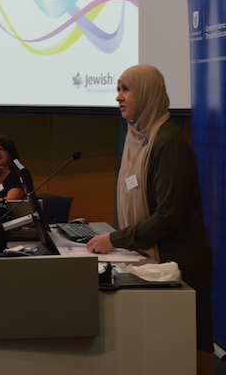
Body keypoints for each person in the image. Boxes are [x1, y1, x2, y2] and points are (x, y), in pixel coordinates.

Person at [86, 64, 214, 375]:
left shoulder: (167, 141)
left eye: (126, 89)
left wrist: (115, 239)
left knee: (191, 339)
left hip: (180, 257)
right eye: (118, 88)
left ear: (147, 94)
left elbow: (169, 215)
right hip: (156, 251)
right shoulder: (139, 138)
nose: (119, 97)